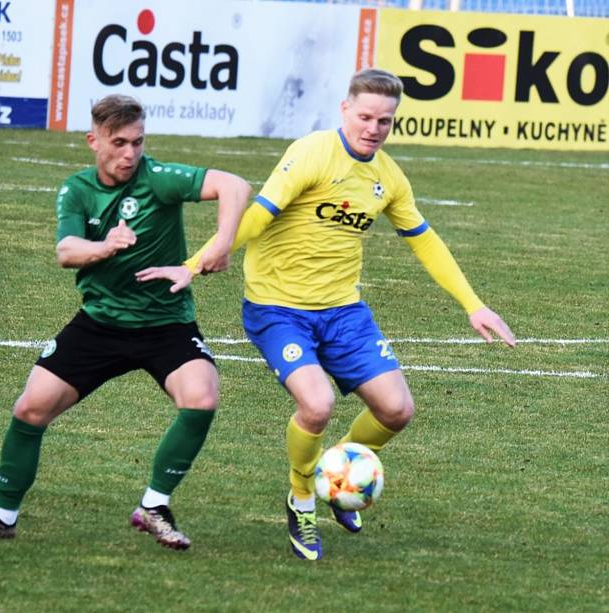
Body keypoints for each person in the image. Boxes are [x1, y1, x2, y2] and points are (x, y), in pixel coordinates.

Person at [136, 68, 515, 560]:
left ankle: (336, 471)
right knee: (316, 405)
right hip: (278, 308)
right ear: (344, 110)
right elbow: (258, 214)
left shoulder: (388, 178)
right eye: (365, 116)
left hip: (344, 312)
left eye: (385, 120)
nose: (373, 128)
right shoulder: (312, 153)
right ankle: (301, 499)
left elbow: (425, 242)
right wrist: (199, 260)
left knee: (397, 410)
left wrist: (474, 305)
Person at [0, 94, 251, 550]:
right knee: (29, 409)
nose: (130, 154)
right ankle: (1, 516)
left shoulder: (159, 179)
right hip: (99, 325)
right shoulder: (77, 190)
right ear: (94, 141)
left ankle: (154, 505)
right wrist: (106, 246)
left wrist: (221, 243)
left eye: (137, 142)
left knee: (202, 397)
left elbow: (234, 185)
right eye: (119, 143)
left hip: (165, 323)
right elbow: (66, 251)